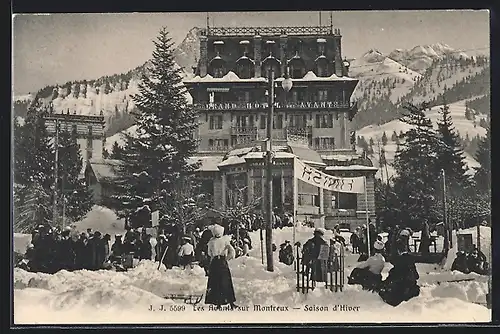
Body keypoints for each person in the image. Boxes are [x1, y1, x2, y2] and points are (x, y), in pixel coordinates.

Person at [204, 224, 237, 310]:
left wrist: (214, 256)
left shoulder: (211, 242)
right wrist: (227, 258)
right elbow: (232, 251)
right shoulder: (225, 240)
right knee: (226, 282)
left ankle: (218, 303)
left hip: (215, 262)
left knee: (215, 283)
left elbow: (209, 253)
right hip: (222, 262)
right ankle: (231, 302)